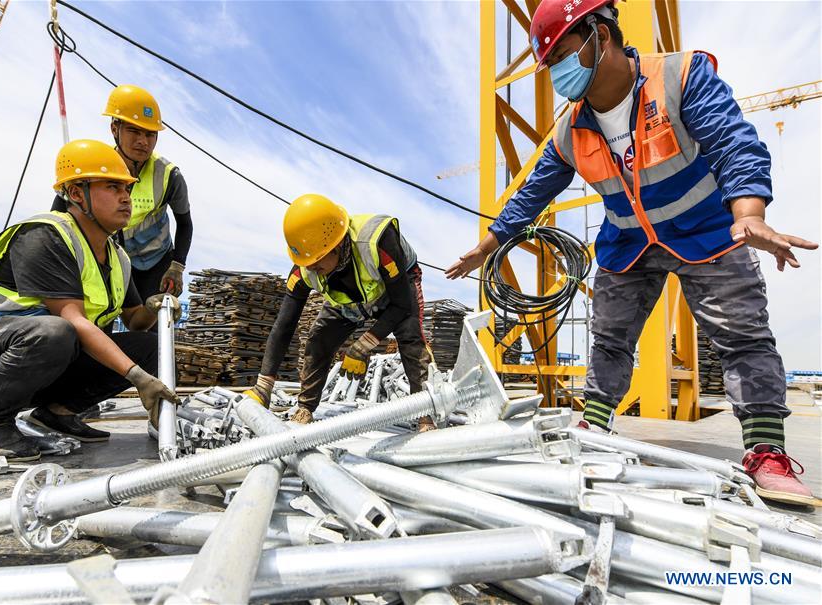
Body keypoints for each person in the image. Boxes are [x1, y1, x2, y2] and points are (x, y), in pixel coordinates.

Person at [446, 0, 818, 505]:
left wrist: (748, 213)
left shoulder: (680, 77)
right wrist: (485, 248)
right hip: (628, 243)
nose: (557, 72)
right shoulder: (569, 130)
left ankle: (766, 452)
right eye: (550, 63)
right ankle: (594, 427)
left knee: (742, 336)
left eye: (562, 55)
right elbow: (532, 193)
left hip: (708, 231)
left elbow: (734, 143)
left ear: (601, 34)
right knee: (609, 338)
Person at [0, 140, 181, 461]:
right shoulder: (45, 236)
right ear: (77, 193)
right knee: (56, 331)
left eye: (127, 188)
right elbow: (73, 320)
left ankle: (57, 413)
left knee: (149, 346)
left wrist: (156, 306)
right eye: (112, 187)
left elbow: (135, 319)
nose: (126, 197)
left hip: (42, 368)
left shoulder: (117, 257)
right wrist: (137, 377)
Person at [247, 194, 435, 429]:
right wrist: (264, 384)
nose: (315, 270)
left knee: (410, 335)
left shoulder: (378, 242)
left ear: (336, 244)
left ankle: (425, 414)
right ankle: (305, 408)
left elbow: (401, 304)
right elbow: (284, 326)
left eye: (318, 262)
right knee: (319, 339)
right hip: (350, 300)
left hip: (395, 290)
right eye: (309, 265)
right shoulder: (306, 268)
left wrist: (365, 344)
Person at [51, 85, 193, 308]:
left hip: (155, 264)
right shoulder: (93, 167)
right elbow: (58, 217)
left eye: (149, 134)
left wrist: (177, 266)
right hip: (109, 258)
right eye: (134, 131)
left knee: (153, 326)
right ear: (114, 129)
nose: (143, 141)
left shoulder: (169, 176)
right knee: (98, 316)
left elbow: (185, 223)